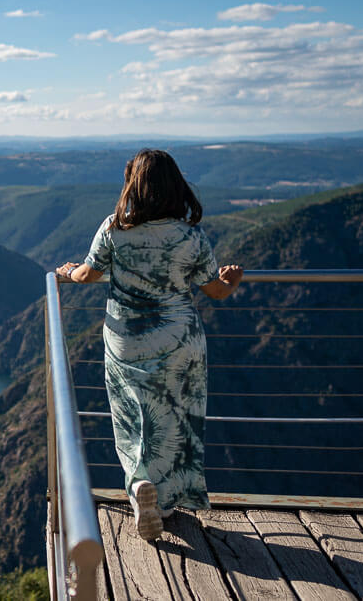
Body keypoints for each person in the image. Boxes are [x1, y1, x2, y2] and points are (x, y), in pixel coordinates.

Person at [56, 149, 243, 541]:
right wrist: (232, 279)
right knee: (176, 417)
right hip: (180, 340)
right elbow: (216, 292)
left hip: (128, 339)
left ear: (133, 185)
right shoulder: (191, 236)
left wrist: (69, 271)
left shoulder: (114, 228)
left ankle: (140, 484)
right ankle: (167, 499)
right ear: (176, 185)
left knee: (131, 415)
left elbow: (89, 275)